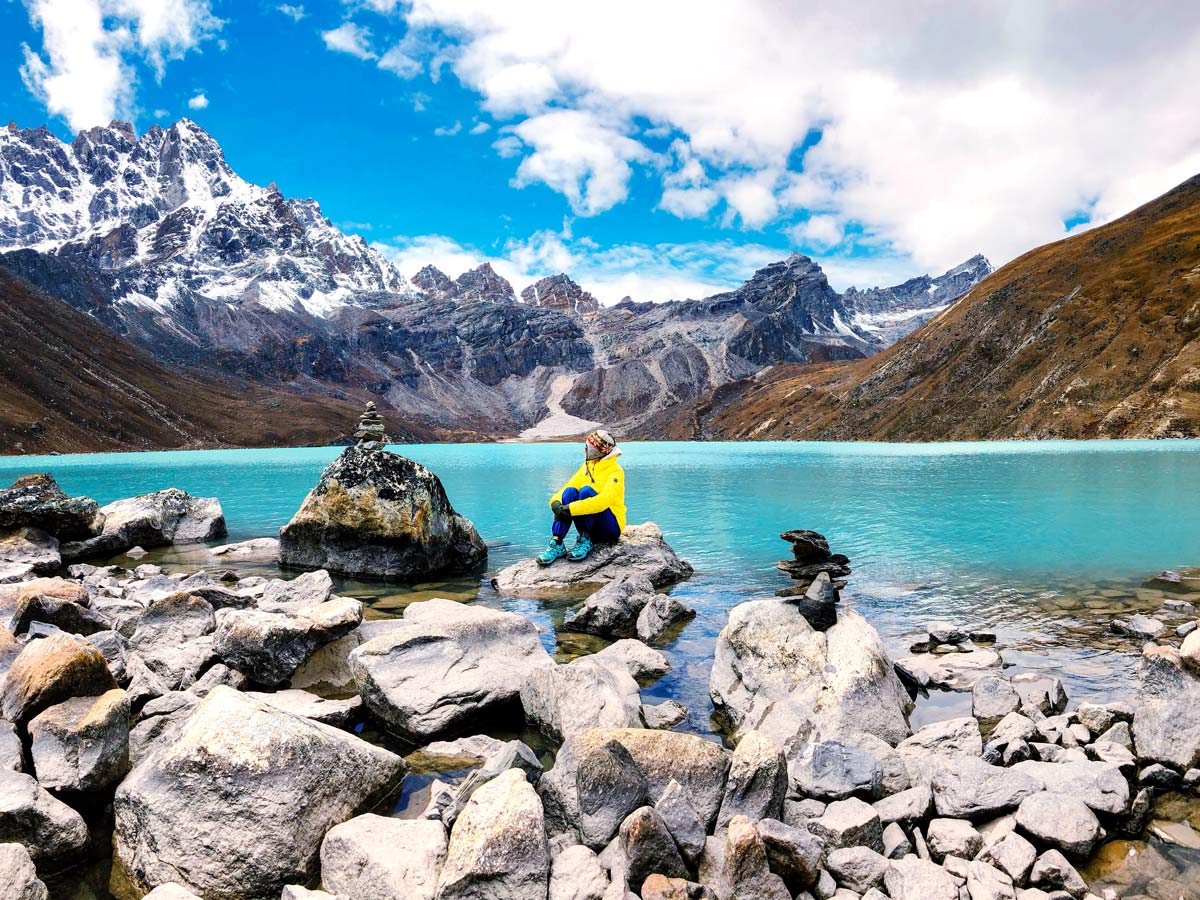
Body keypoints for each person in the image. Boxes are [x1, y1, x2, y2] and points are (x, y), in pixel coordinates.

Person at [536, 428, 626, 565]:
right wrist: (555, 503)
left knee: (586, 492)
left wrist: (570, 509)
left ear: (596, 451)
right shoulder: (587, 466)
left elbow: (602, 502)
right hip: (591, 525)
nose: (585, 450)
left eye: (588, 448)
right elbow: (568, 486)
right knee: (570, 492)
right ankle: (557, 542)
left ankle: (585, 540)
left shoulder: (615, 472)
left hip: (610, 528)